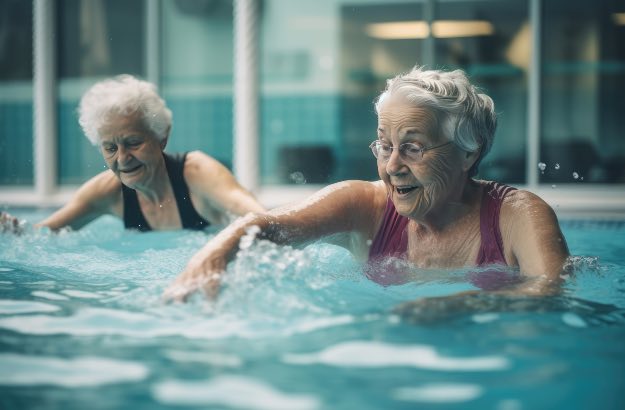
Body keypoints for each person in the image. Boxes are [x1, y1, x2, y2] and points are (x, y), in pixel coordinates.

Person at [163, 66, 569, 305]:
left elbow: (551, 295)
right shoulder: (365, 205)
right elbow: (270, 226)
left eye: (412, 148)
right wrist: (216, 253)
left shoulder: (517, 215)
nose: (392, 166)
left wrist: (454, 306)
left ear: (469, 152)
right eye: (384, 145)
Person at [0, 75, 265, 232]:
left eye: (133, 142)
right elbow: (39, 238)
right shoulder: (106, 193)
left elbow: (265, 221)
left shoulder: (198, 174)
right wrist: (10, 230)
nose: (122, 158)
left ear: (162, 137)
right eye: (110, 148)